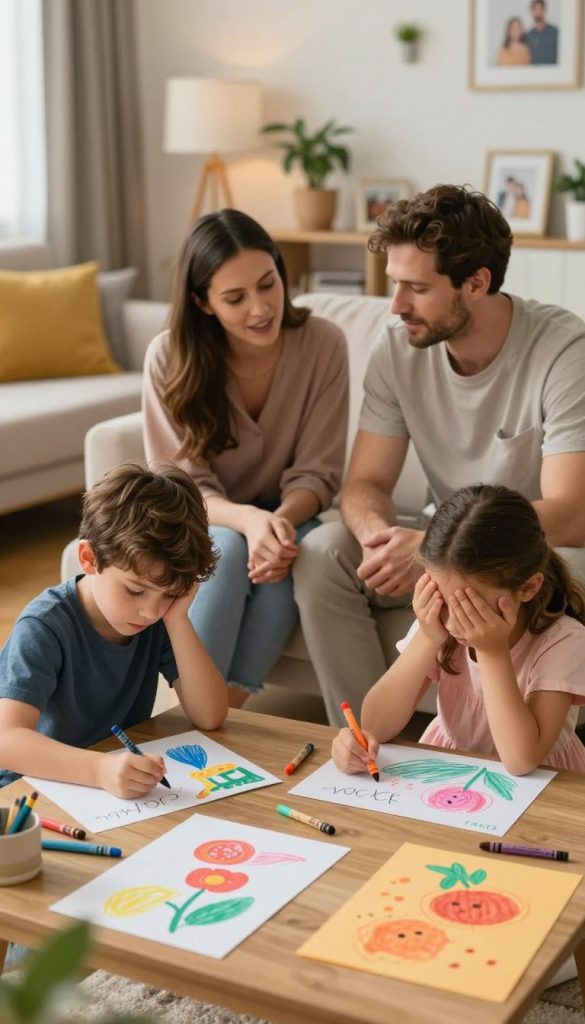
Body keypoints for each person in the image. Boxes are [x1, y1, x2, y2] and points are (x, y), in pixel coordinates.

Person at [293, 183, 585, 727]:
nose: (397, 304)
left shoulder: (563, 352)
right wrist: (383, 540)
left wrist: (431, 549)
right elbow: (364, 484)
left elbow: (571, 512)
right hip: (441, 546)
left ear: (476, 283)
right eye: (394, 284)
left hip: (526, 553)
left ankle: (536, 749)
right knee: (324, 550)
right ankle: (364, 739)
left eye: (416, 288)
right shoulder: (397, 346)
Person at [143, 209, 348, 709]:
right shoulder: (170, 357)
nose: (260, 308)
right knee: (229, 551)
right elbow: (181, 486)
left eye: (268, 284)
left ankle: (218, 714)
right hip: (202, 517)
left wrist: (273, 525)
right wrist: (248, 522)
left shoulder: (323, 343)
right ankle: (195, 707)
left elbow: (318, 471)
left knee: (281, 565)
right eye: (235, 298)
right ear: (203, 302)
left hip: (290, 515)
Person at [0, 463, 228, 796]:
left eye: (170, 593)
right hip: (33, 793)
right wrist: (100, 770)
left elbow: (209, 715)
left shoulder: (158, 619)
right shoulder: (44, 627)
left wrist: (178, 618)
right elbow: (7, 740)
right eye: (135, 590)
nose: (150, 610)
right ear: (89, 558)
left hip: (110, 787)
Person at [332, 484, 585, 776]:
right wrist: (427, 638)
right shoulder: (437, 624)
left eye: (471, 607)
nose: (453, 623)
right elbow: (375, 725)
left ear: (528, 587)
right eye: (442, 598)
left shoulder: (564, 642)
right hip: (452, 770)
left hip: (542, 786)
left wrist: (492, 652)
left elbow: (521, 760)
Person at [524, 0, 558, 64]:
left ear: (544, 10)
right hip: (534, 72)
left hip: (553, 71)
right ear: (532, 11)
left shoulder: (555, 32)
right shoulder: (527, 36)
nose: (538, 12)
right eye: (535, 9)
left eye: (540, 9)